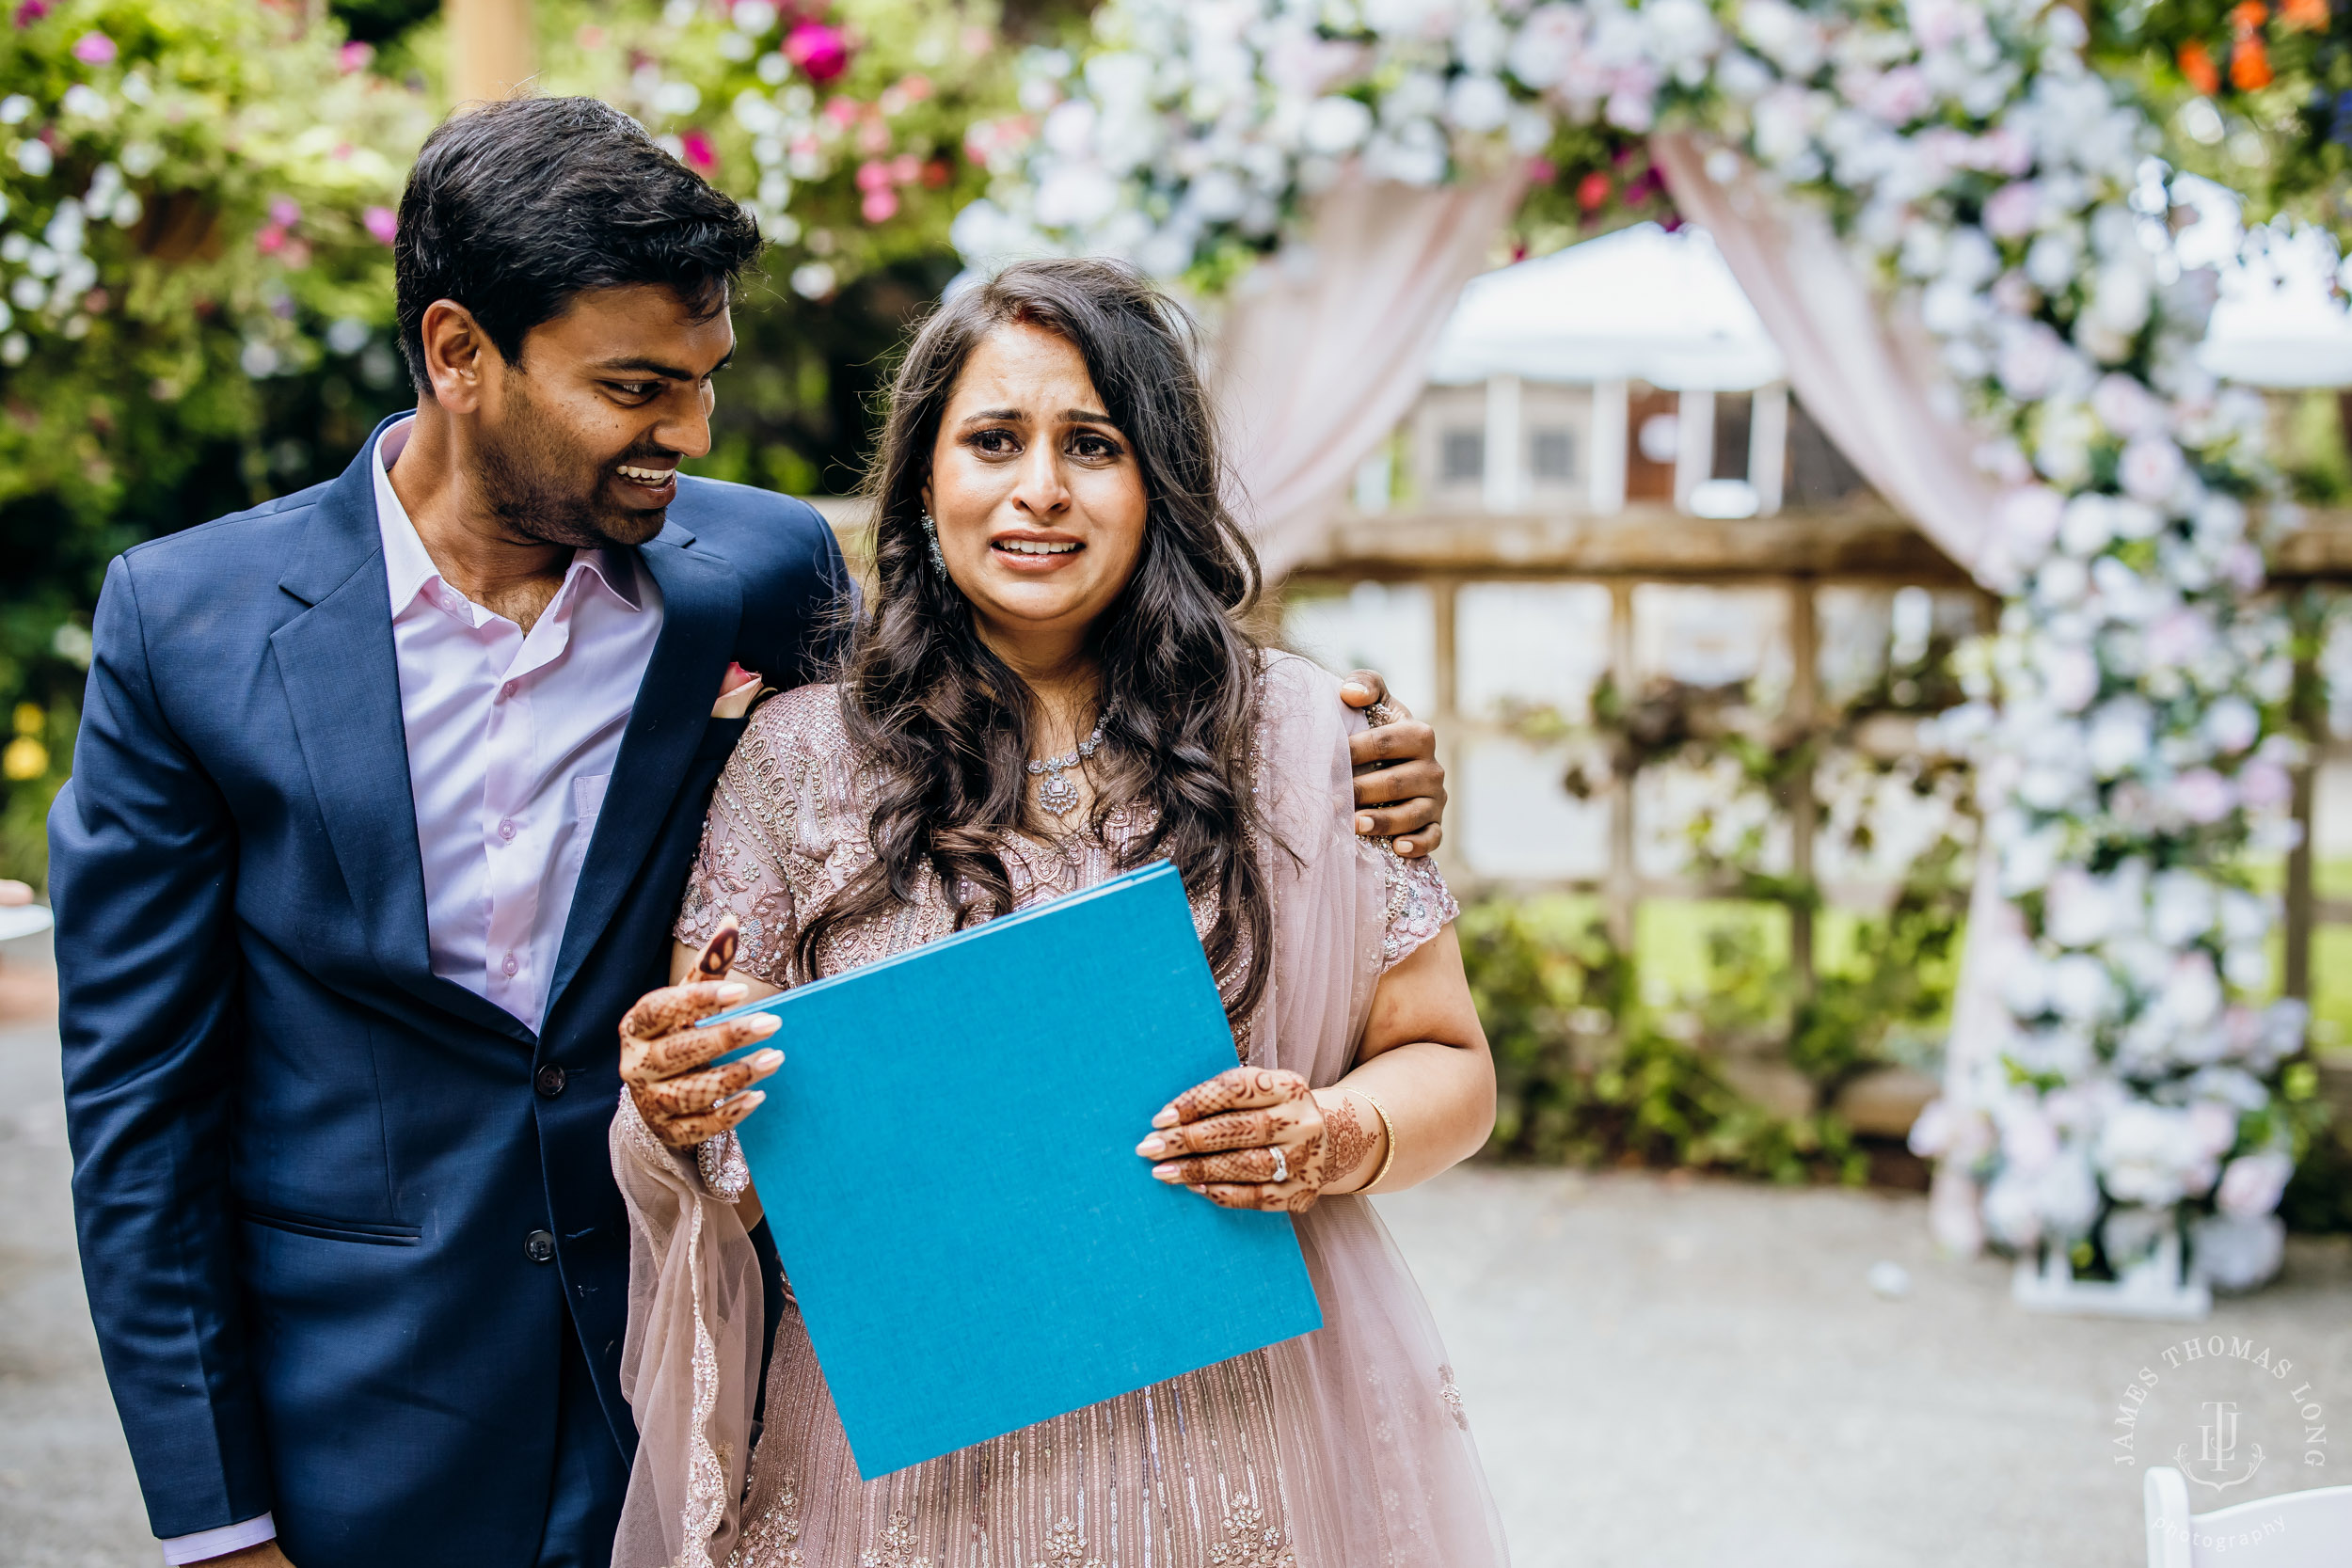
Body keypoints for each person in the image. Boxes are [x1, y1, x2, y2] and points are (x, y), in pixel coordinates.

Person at [47, 102, 1449, 1568]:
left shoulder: (756, 572)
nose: (694, 435)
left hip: (711, 1376)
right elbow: (139, 1114)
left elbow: (957, 723)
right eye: (640, 387)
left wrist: (1352, 763)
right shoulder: (186, 625)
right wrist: (216, 1524)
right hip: (371, 1404)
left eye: (704, 382)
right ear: (459, 353)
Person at [611, 258, 1506, 1568]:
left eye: (1091, 444)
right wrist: (684, 1102)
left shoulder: (1310, 743)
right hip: (903, 1477)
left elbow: (1453, 1065)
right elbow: (723, 1140)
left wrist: (1331, 1133)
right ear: (925, 479)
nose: (1040, 490)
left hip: (1230, 1454)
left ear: (1159, 481)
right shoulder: (796, 762)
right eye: (993, 440)